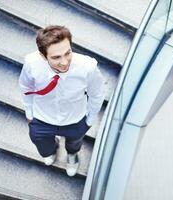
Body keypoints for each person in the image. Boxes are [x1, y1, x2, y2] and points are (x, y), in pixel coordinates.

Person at [18, 25, 104, 177]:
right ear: (43, 56)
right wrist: (29, 113)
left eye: (68, 53)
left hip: (75, 119)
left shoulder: (87, 67)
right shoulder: (32, 63)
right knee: (42, 146)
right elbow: (25, 86)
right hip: (42, 118)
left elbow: (96, 94)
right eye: (56, 57)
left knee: (74, 143)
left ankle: (72, 155)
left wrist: (89, 120)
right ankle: (51, 150)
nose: (65, 62)